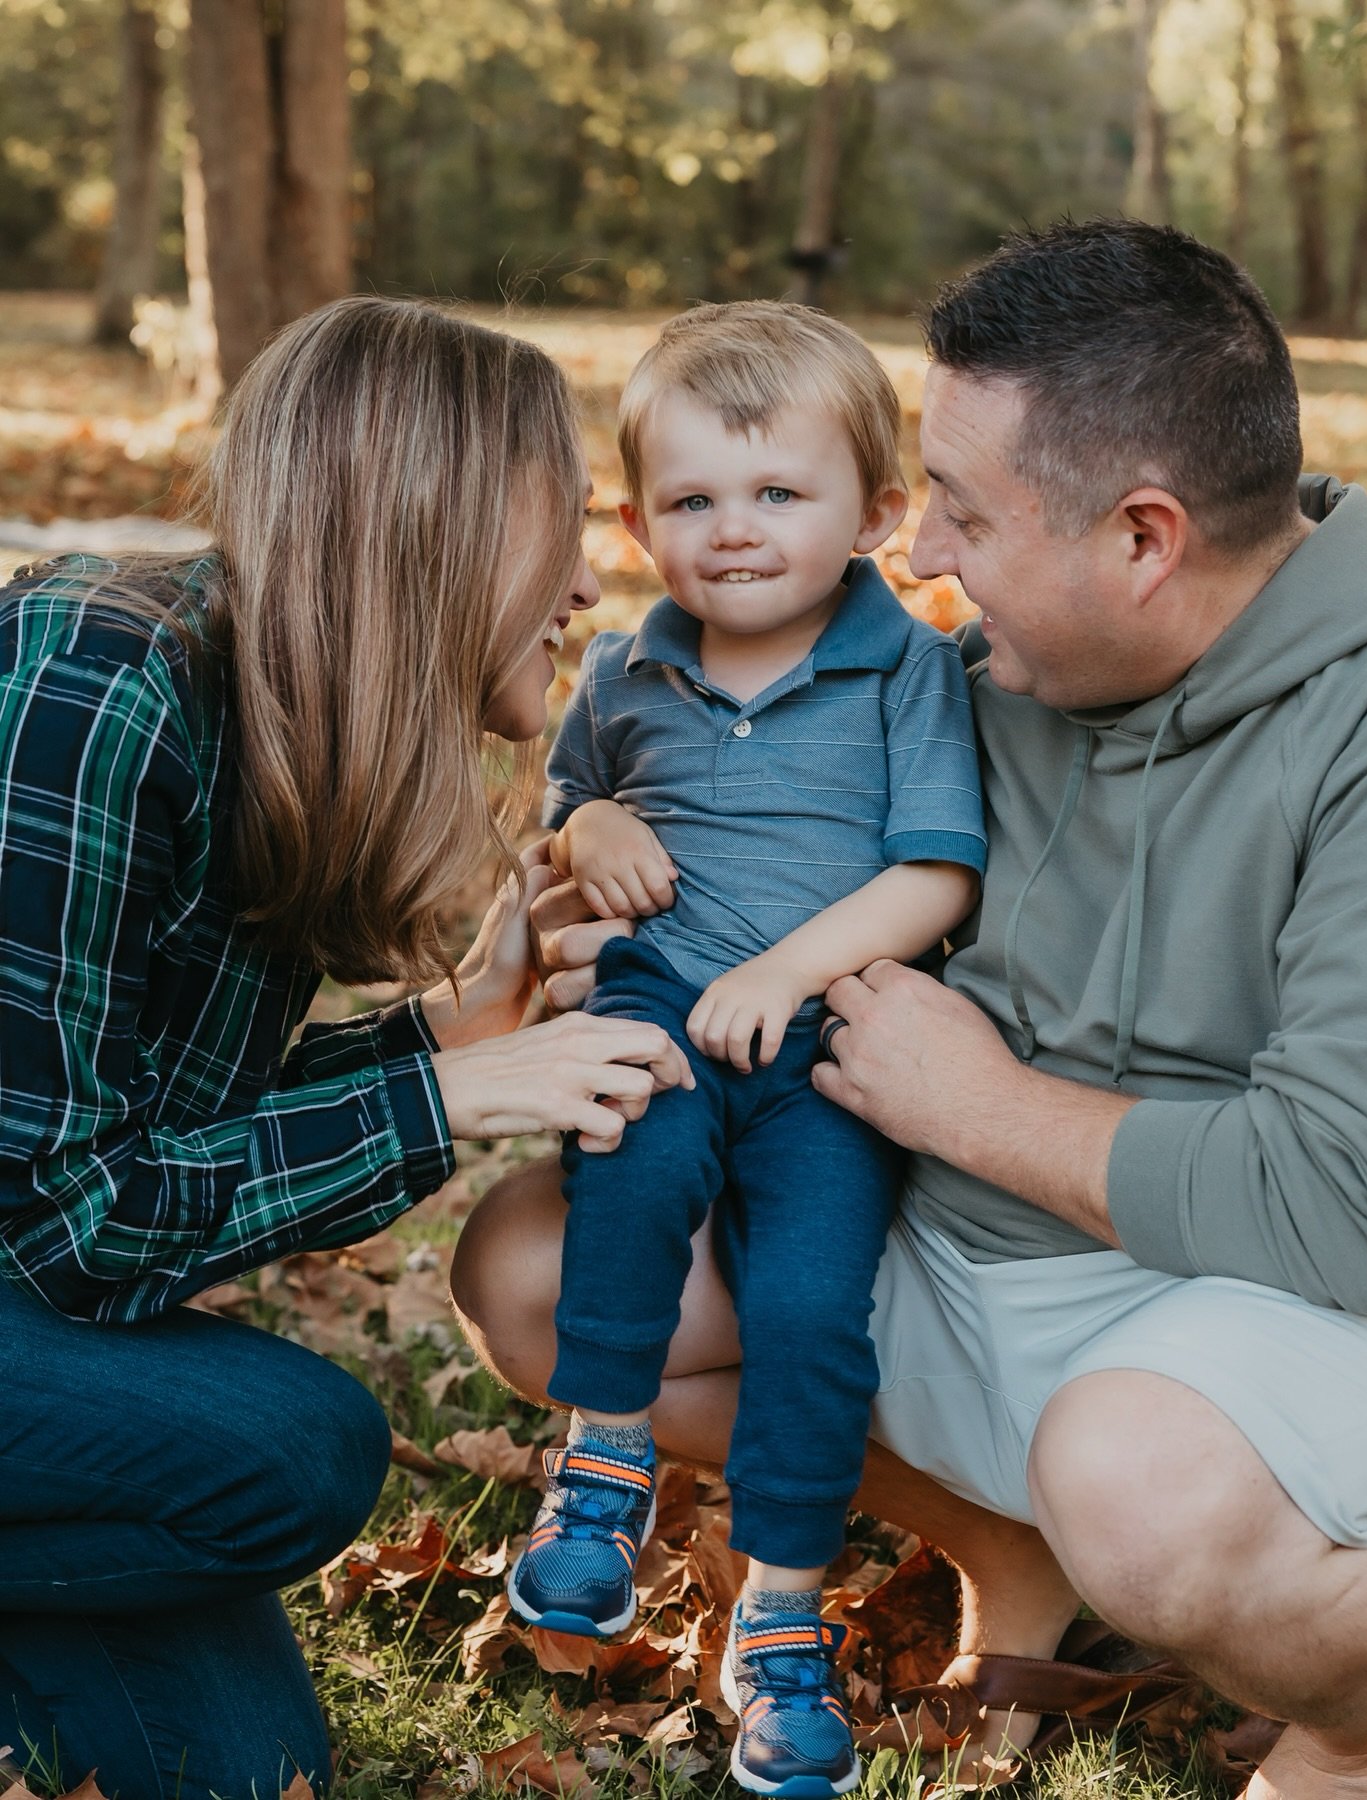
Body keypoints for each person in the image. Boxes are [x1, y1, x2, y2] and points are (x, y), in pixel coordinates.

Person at [453, 219, 1367, 1800]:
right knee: (533, 1266)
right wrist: (628, 916)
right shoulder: (988, 672)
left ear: (1143, 538)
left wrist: (973, 1107)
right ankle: (1010, 1544)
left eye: (964, 517)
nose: (917, 563)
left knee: (1140, 1475)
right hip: (949, 1247)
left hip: (1257, 1309)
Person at [0, 295, 691, 1800]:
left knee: (233, 1768)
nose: (589, 582)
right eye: (558, 531)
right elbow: (64, 1227)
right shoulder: (95, 685)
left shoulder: (280, 735)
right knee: (295, 1445)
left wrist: (456, 1032)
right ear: (427, 530)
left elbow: (148, 1135)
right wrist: (450, 1093)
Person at [504, 302, 985, 1797]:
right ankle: (601, 1467)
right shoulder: (625, 674)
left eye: (780, 494)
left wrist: (784, 971)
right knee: (627, 1172)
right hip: (660, 1005)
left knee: (808, 1307)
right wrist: (594, 821)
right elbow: (561, 811)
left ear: (877, 516)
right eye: (694, 500)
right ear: (640, 521)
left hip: (825, 1043)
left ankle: (780, 1617)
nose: (734, 532)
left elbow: (937, 878)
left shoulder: (908, 670)